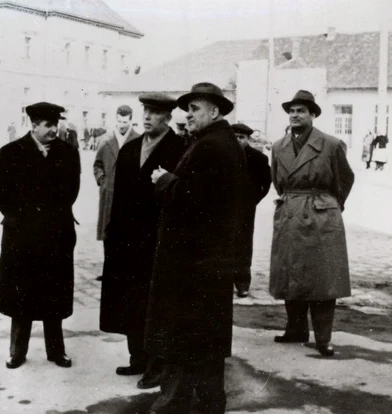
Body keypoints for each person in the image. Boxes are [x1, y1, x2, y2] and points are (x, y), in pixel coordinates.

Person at [145, 83, 253, 413]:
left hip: (194, 263)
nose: (187, 115)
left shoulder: (212, 146)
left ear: (215, 111)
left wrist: (165, 181)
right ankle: (206, 401)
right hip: (206, 261)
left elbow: (199, 201)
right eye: (187, 109)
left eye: (194, 109)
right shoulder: (218, 142)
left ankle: (177, 402)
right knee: (203, 337)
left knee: (187, 334)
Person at [99, 95, 186, 390]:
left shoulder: (179, 148)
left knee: (155, 302)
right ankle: (137, 356)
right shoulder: (130, 149)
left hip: (158, 238)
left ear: (168, 117)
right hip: (127, 237)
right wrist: (112, 231)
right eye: (145, 111)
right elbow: (119, 195)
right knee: (129, 299)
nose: (147, 117)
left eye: (155, 112)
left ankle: (157, 364)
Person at [0, 102, 81, 370]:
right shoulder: (10, 153)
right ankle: (17, 351)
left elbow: (71, 190)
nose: (54, 130)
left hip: (56, 235)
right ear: (34, 125)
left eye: (56, 124)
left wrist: (50, 216)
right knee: (21, 296)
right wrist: (22, 217)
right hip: (22, 236)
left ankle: (56, 351)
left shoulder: (68, 153)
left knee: (54, 295)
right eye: (48, 125)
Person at [270, 90, 354, 358]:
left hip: (321, 215)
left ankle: (323, 338)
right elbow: (278, 181)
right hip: (291, 213)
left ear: (313, 114)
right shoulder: (278, 146)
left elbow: (345, 180)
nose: (295, 115)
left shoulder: (331, 144)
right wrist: (294, 202)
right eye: (292, 111)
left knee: (322, 278)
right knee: (290, 272)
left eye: (301, 111)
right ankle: (295, 329)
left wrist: (329, 204)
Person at [93, 105, 140, 282]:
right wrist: (101, 180)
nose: (122, 125)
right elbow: (97, 164)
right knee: (108, 233)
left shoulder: (138, 139)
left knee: (126, 232)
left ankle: (125, 270)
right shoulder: (105, 139)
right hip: (109, 193)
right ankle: (109, 270)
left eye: (125, 122)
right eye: (119, 121)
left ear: (131, 120)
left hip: (129, 196)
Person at [231, 122, 272, 298]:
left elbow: (266, 183)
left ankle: (242, 283)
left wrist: (253, 200)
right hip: (222, 207)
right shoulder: (223, 154)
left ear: (248, 139)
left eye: (242, 137)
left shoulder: (258, 158)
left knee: (243, 244)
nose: (238, 140)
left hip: (245, 209)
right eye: (235, 137)